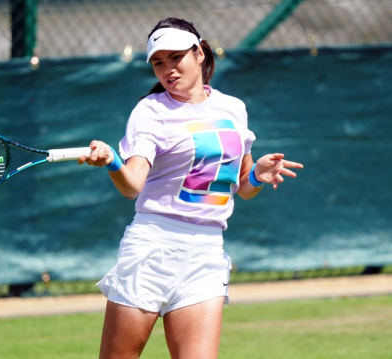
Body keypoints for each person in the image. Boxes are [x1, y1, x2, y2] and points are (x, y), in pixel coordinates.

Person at [78, 17, 303, 359]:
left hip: (206, 254)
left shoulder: (233, 109)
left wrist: (257, 174)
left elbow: (242, 187)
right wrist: (112, 161)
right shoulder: (150, 112)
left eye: (175, 57)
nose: (167, 69)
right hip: (153, 248)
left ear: (199, 53)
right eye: (158, 62)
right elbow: (132, 185)